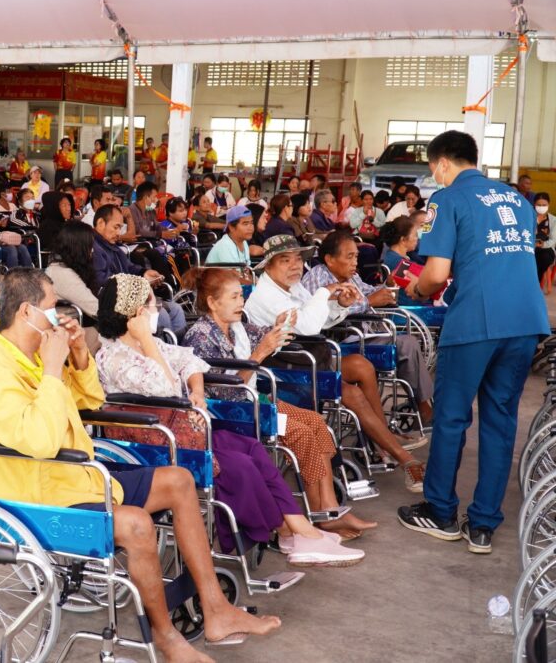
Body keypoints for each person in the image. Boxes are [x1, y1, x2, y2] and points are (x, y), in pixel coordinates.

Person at [0, 268, 282, 661]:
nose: (59, 316)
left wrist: (78, 355)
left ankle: (216, 610)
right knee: (136, 523)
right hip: (34, 491)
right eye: (52, 307)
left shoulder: (33, 355)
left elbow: (91, 401)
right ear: (27, 312)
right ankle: (166, 637)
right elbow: (40, 441)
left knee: (180, 481)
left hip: (75, 475)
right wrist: (52, 370)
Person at [95, 273, 366, 565]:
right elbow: (166, 387)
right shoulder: (114, 357)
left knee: (252, 449)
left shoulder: (155, 346)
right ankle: (290, 531)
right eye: (151, 306)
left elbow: (190, 361)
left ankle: (299, 530)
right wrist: (148, 341)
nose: (156, 311)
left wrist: (197, 391)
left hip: (186, 426)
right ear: (135, 314)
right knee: (240, 465)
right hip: (156, 440)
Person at [397, 131, 550, 552]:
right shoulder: (518, 200)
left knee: (451, 417)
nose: (435, 176)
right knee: (500, 420)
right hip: (525, 320)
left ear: (443, 163)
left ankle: (441, 512)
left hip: (476, 321)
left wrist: (417, 290)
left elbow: (435, 273)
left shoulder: (446, 200)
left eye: (433, 169)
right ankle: (482, 525)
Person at [182, 267, 376, 538]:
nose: (241, 302)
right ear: (213, 302)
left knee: (316, 422)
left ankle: (329, 509)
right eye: (234, 297)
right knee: (301, 433)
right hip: (229, 413)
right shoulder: (200, 336)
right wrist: (260, 353)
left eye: (241, 296)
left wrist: (280, 326)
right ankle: (319, 515)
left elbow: (266, 335)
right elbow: (222, 394)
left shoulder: (237, 327)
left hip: (253, 403)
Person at [245, 234, 427, 492]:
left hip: (307, 360)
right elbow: (308, 327)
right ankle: (403, 458)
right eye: (285, 260)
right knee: (351, 393)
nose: (295, 265)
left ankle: (381, 440)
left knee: (361, 365)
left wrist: (339, 305)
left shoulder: (291, 287)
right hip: (282, 371)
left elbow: (320, 320)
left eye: (297, 259)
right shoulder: (266, 296)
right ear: (268, 265)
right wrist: (325, 292)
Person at [302, 229, 434, 428]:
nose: (355, 262)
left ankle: (421, 403)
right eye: (349, 257)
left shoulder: (351, 277)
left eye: (356, 256)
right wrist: (369, 301)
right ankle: (424, 408)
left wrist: (386, 286)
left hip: (364, 334)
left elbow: (368, 291)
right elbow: (322, 312)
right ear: (330, 259)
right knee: (406, 344)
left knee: (409, 341)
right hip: (339, 340)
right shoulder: (318, 277)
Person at [92, 204, 186, 336]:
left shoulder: (112, 246)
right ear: (101, 223)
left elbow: (130, 267)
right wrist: (137, 283)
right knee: (162, 315)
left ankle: (173, 346)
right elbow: (104, 281)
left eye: (120, 228)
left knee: (176, 310)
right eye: (116, 227)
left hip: (131, 295)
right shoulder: (95, 248)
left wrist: (144, 273)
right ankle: (157, 346)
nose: (119, 233)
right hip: (118, 302)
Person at [45, 221, 102, 351]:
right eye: (89, 246)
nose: (92, 250)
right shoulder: (61, 274)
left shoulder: (65, 267)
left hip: (74, 330)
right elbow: (96, 309)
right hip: (68, 336)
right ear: (79, 247)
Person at [380, 217, 424, 306]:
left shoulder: (391, 256)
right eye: (415, 235)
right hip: (408, 309)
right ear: (403, 239)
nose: (417, 238)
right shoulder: (400, 263)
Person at [534, 193, 555, 283]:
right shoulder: (529, 217)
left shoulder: (553, 220)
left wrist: (543, 245)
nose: (541, 207)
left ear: (548, 205)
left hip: (546, 249)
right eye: (539, 205)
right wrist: (537, 222)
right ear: (534, 204)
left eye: (544, 205)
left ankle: (536, 281)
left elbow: (553, 240)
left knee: (544, 258)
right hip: (531, 247)